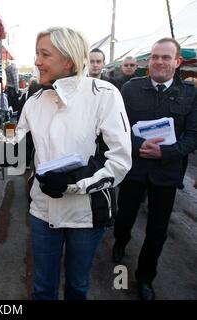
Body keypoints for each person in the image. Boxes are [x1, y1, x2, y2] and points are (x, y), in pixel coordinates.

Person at [16, 27, 132, 300]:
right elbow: (16, 153)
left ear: (68, 60)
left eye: (44, 54)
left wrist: (71, 182)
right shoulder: (33, 101)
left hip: (86, 214)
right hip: (42, 210)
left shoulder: (104, 94)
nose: (37, 61)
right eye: (37, 53)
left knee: (77, 288)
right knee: (42, 288)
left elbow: (119, 160)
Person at [112, 38, 197, 300]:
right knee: (125, 216)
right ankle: (120, 243)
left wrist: (166, 152)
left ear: (177, 62)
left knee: (157, 231)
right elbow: (117, 130)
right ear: (148, 61)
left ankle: (145, 278)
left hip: (166, 174)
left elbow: (193, 136)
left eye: (165, 57)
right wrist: (139, 144)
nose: (159, 62)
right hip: (134, 169)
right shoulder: (130, 89)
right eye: (155, 57)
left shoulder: (190, 94)